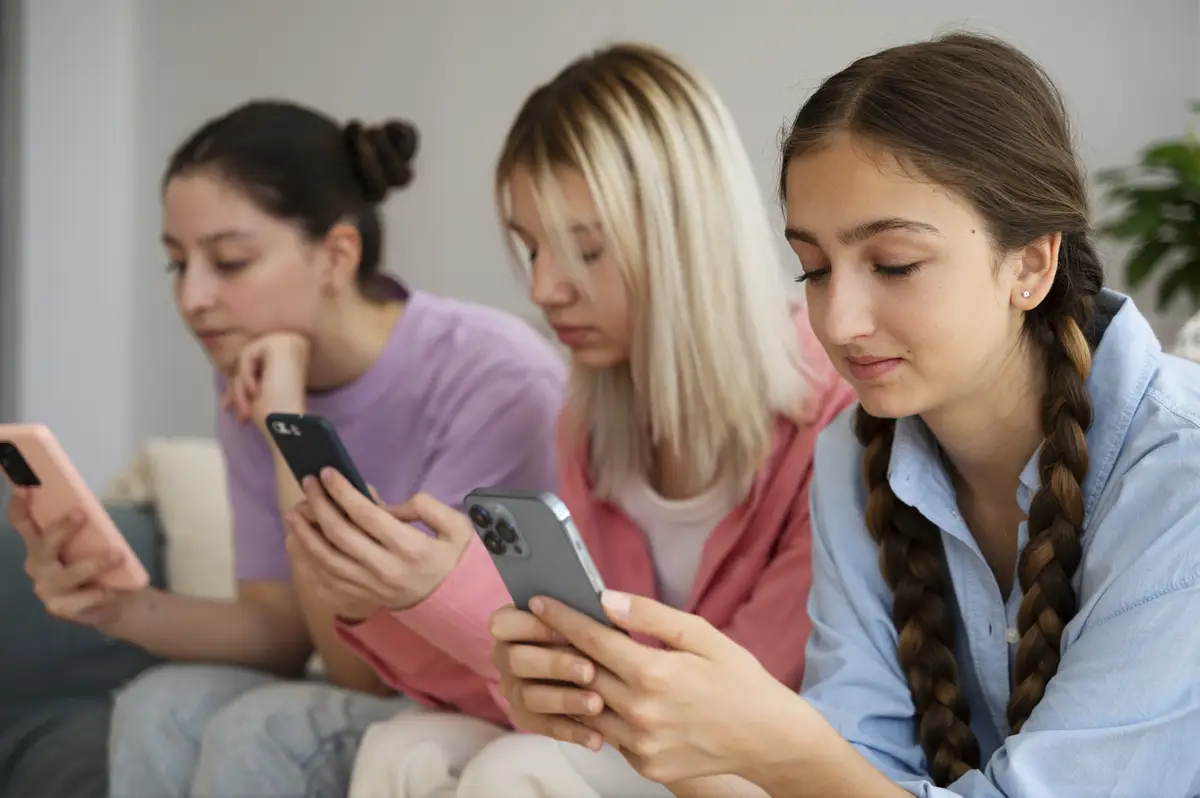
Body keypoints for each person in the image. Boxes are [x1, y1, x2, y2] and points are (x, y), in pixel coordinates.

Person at [489, 32, 1200, 798]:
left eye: (893, 264)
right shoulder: (853, 455)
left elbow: (823, 770)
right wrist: (636, 719)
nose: (840, 320)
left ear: (1029, 264)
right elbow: (856, 776)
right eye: (815, 269)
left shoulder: (1177, 479)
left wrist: (777, 745)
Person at [6, 100, 566, 798]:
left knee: (264, 729)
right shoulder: (256, 371)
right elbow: (279, 627)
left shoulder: (496, 375)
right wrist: (119, 607)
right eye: (177, 266)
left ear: (336, 255)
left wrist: (287, 430)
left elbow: (359, 665)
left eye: (230, 261)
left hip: (466, 692)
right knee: (161, 704)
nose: (194, 298)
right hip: (368, 670)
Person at [336, 43, 854, 798]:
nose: (545, 288)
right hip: (634, 731)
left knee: (522, 768)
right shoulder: (590, 421)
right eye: (530, 248)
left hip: (754, 757)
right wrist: (394, 600)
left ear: (689, 238)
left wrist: (463, 597)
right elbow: (536, 703)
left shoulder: (835, 413)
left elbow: (731, 705)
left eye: (584, 250)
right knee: (402, 746)